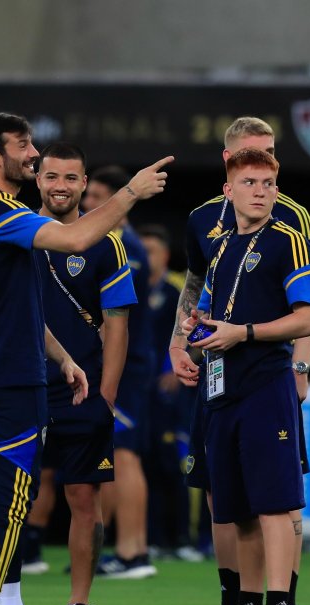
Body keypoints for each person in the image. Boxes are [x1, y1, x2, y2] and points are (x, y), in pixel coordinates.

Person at [0, 112, 169, 605]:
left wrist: (65, 357)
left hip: (21, 368)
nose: (33, 153)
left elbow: (19, 308)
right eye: (24, 146)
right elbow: (73, 240)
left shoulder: (0, 212)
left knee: (20, 497)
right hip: (11, 377)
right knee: (13, 496)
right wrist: (130, 194)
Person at [170, 116, 310, 605]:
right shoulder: (221, 242)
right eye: (251, 182)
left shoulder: (290, 238)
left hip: (265, 383)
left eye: (269, 182)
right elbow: (204, 304)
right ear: (227, 186)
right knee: (234, 504)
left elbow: (309, 317)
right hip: (221, 388)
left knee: (274, 501)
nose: (262, 191)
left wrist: (246, 333)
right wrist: (192, 332)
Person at [36, 143, 137, 605]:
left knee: (83, 499)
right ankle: (2, 602)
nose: (61, 186)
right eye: (51, 176)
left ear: (83, 184)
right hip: (23, 388)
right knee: (11, 499)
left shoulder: (109, 244)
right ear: (36, 178)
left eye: (71, 178)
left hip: (83, 394)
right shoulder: (16, 232)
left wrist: (107, 396)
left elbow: (118, 325)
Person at [81, 166, 156, 579]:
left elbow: (117, 317)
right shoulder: (117, 243)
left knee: (125, 455)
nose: (90, 204)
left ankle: (133, 552)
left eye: (97, 197)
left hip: (127, 365)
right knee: (117, 453)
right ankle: (127, 549)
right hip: (125, 362)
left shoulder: (122, 245)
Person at [138, 223, 200, 560]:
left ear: (164, 255)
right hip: (138, 390)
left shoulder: (180, 289)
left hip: (176, 390)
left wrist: (181, 365)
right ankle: (150, 539)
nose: (146, 258)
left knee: (179, 462)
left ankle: (185, 539)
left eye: (152, 251)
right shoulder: (129, 288)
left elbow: (203, 327)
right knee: (142, 463)